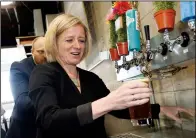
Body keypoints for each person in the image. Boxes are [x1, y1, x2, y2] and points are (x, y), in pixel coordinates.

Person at [28, 14, 160, 138]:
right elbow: (49, 120)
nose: (78, 46)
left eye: (82, 40)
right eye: (69, 40)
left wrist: (159, 110)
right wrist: (108, 102)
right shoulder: (42, 74)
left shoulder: (91, 78)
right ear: (54, 43)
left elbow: (118, 110)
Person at [6, 37, 46, 138]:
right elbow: (23, 102)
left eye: (48, 52)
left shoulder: (54, 68)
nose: (45, 56)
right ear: (32, 51)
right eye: (41, 52)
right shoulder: (19, 67)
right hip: (23, 130)